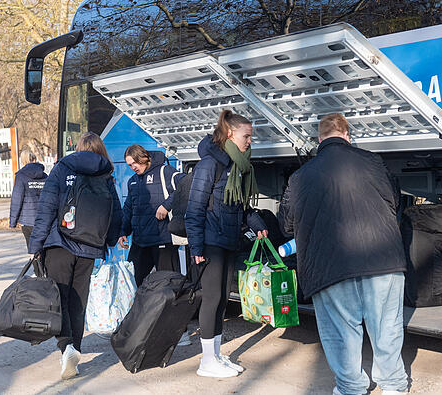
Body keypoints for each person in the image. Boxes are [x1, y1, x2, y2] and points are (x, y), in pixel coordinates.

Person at [279, 113, 408, 395]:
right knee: (387, 327)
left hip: (330, 265)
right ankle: (394, 385)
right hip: (382, 259)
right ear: (348, 135)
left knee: (341, 333)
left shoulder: (300, 177)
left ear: (319, 139)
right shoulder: (374, 162)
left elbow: (287, 224)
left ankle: (352, 387)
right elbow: (395, 202)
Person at [28, 132, 122, 380]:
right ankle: (75, 351)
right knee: (78, 302)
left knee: (60, 299)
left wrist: (35, 244)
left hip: (60, 243)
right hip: (89, 248)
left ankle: (66, 347)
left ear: (79, 148)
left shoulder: (62, 169)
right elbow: (115, 211)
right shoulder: (105, 174)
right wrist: (111, 240)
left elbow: (46, 208)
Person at [186, 110, 268, 378]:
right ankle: (206, 362)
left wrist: (257, 225)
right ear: (230, 134)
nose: (249, 141)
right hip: (210, 242)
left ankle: (216, 356)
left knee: (222, 299)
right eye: (246, 136)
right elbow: (195, 208)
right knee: (212, 299)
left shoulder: (239, 166)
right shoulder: (210, 164)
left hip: (228, 241)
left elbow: (242, 206)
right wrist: (196, 248)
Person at [118, 144, 184, 286]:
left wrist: (166, 206)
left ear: (143, 157)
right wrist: (123, 231)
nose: (133, 167)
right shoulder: (133, 181)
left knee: (169, 286)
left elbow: (185, 185)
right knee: (132, 284)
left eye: (135, 162)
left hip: (163, 240)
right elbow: (129, 208)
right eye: (130, 165)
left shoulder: (165, 171)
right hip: (140, 242)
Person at [9, 150, 48, 276]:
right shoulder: (45, 176)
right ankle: (47, 272)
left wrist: (13, 221)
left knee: (33, 248)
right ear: (34, 159)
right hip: (44, 219)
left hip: (28, 220)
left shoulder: (21, 176)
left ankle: (38, 274)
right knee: (44, 247)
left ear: (23, 161)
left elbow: (17, 199)